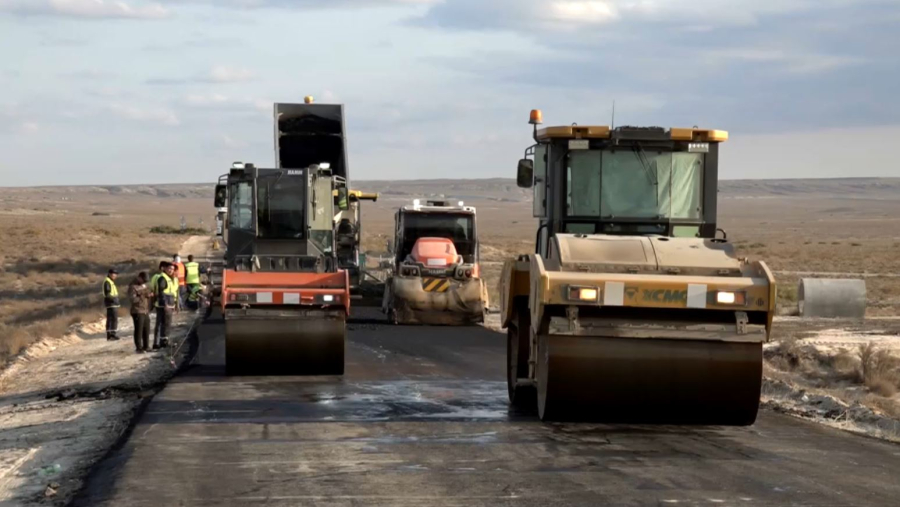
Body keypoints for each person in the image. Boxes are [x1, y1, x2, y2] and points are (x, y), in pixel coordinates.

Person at [154, 262, 178, 349]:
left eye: (172, 269)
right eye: (169, 269)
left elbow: (172, 293)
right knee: (163, 324)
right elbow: (161, 293)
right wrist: (165, 304)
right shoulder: (163, 279)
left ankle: (164, 341)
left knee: (167, 324)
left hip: (169, 304)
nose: (171, 270)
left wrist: (174, 304)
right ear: (165, 269)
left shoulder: (169, 278)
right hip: (164, 305)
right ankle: (161, 342)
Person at [128, 272, 152, 353]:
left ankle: (146, 346)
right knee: (139, 330)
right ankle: (139, 347)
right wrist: (142, 295)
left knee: (147, 329)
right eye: (143, 280)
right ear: (139, 277)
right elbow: (133, 299)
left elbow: (147, 293)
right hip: (137, 310)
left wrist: (149, 295)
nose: (144, 282)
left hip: (145, 310)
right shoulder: (132, 287)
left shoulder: (144, 286)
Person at [102, 269, 120, 341]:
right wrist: (114, 300)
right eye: (113, 274)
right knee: (113, 319)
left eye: (116, 274)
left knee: (111, 319)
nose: (115, 275)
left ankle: (110, 335)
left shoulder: (110, 281)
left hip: (112, 303)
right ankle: (112, 335)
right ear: (109, 274)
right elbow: (108, 294)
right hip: (111, 303)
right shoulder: (107, 282)